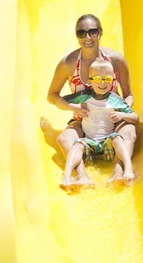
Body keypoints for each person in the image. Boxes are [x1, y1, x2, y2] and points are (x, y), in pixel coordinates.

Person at [47, 13, 137, 187]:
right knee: (63, 139)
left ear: (100, 33)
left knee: (129, 132)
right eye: (81, 33)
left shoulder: (115, 60)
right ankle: (82, 176)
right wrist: (73, 108)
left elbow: (129, 94)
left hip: (112, 118)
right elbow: (52, 95)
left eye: (92, 32)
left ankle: (118, 174)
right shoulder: (68, 63)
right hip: (84, 119)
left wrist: (123, 111)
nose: (87, 37)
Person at [59, 59, 138, 191]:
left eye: (107, 79)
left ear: (113, 80)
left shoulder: (115, 100)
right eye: (97, 78)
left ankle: (128, 169)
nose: (102, 83)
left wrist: (122, 115)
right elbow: (61, 101)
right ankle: (67, 177)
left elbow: (135, 117)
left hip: (108, 145)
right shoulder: (84, 96)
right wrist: (76, 107)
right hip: (89, 144)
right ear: (89, 81)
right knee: (77, 145)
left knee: (117, 138)